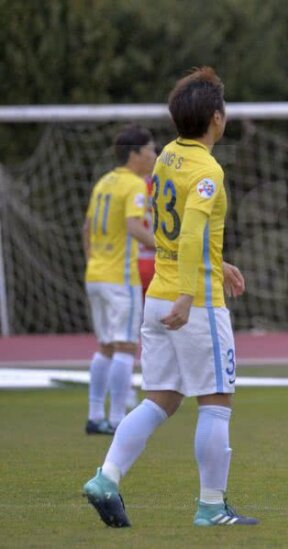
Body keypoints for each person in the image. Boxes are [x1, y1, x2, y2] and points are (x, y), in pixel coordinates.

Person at [83, 67, 256, 528]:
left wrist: (215, 265)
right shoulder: (207, 169)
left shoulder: (165, 159)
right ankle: (211, 506)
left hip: (156, 295)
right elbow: (194, 229)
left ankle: (106, 477)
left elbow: (169, 227)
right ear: (216, 118)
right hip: (192, 301)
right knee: (216, 400)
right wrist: (190, 293)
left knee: (160, 398)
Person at [82, 124, 157, 435]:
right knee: (126, 346)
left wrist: (93, 263)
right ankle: (115, 420)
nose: (154, 155)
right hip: (120, 277)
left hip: (96, 275)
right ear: (135, 154)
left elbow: (86, 229)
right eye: (151, 149)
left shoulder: (104, 181)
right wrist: (168, 246)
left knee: (105, 347)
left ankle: (95, 415)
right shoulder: (134, 185)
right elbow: (134, 227)